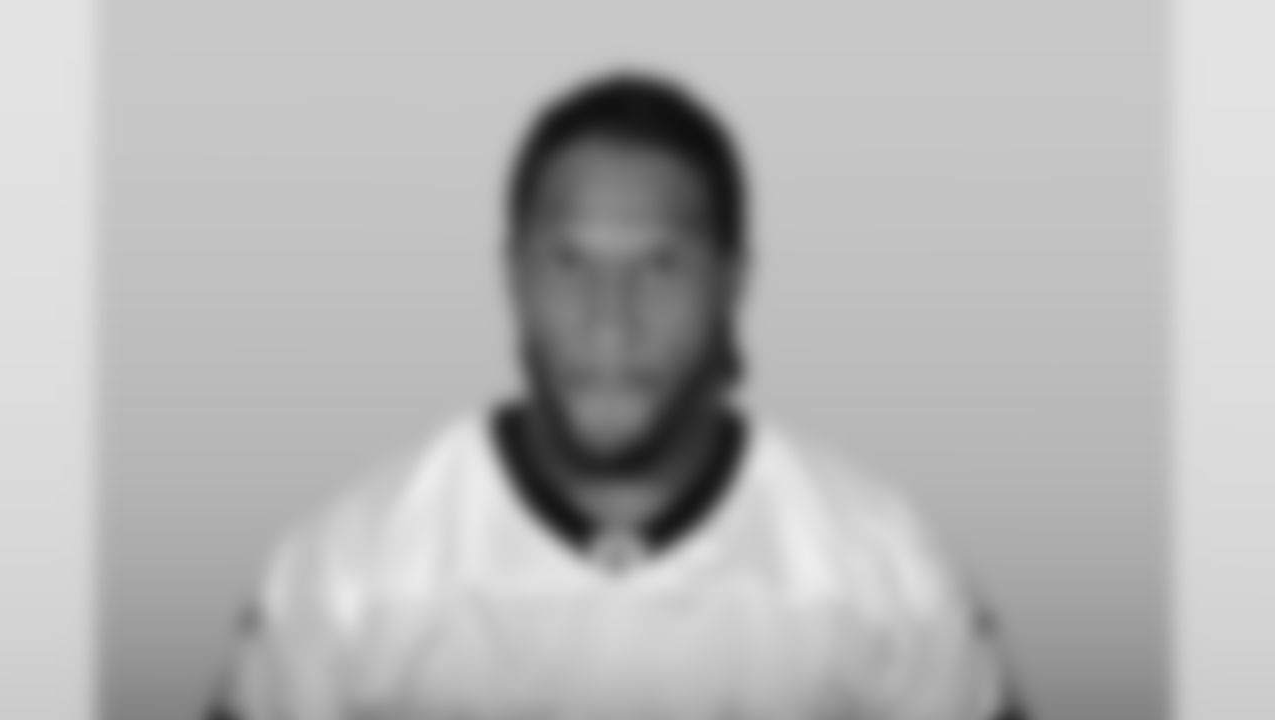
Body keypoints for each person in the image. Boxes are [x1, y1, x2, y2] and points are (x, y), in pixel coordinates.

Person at [207, 70, 1030, 720]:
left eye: (660, 266)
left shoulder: (887, 574)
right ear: (513, 276)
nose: (610, 320)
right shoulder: (344, 574)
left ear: (732, 283)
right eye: (570, 263)